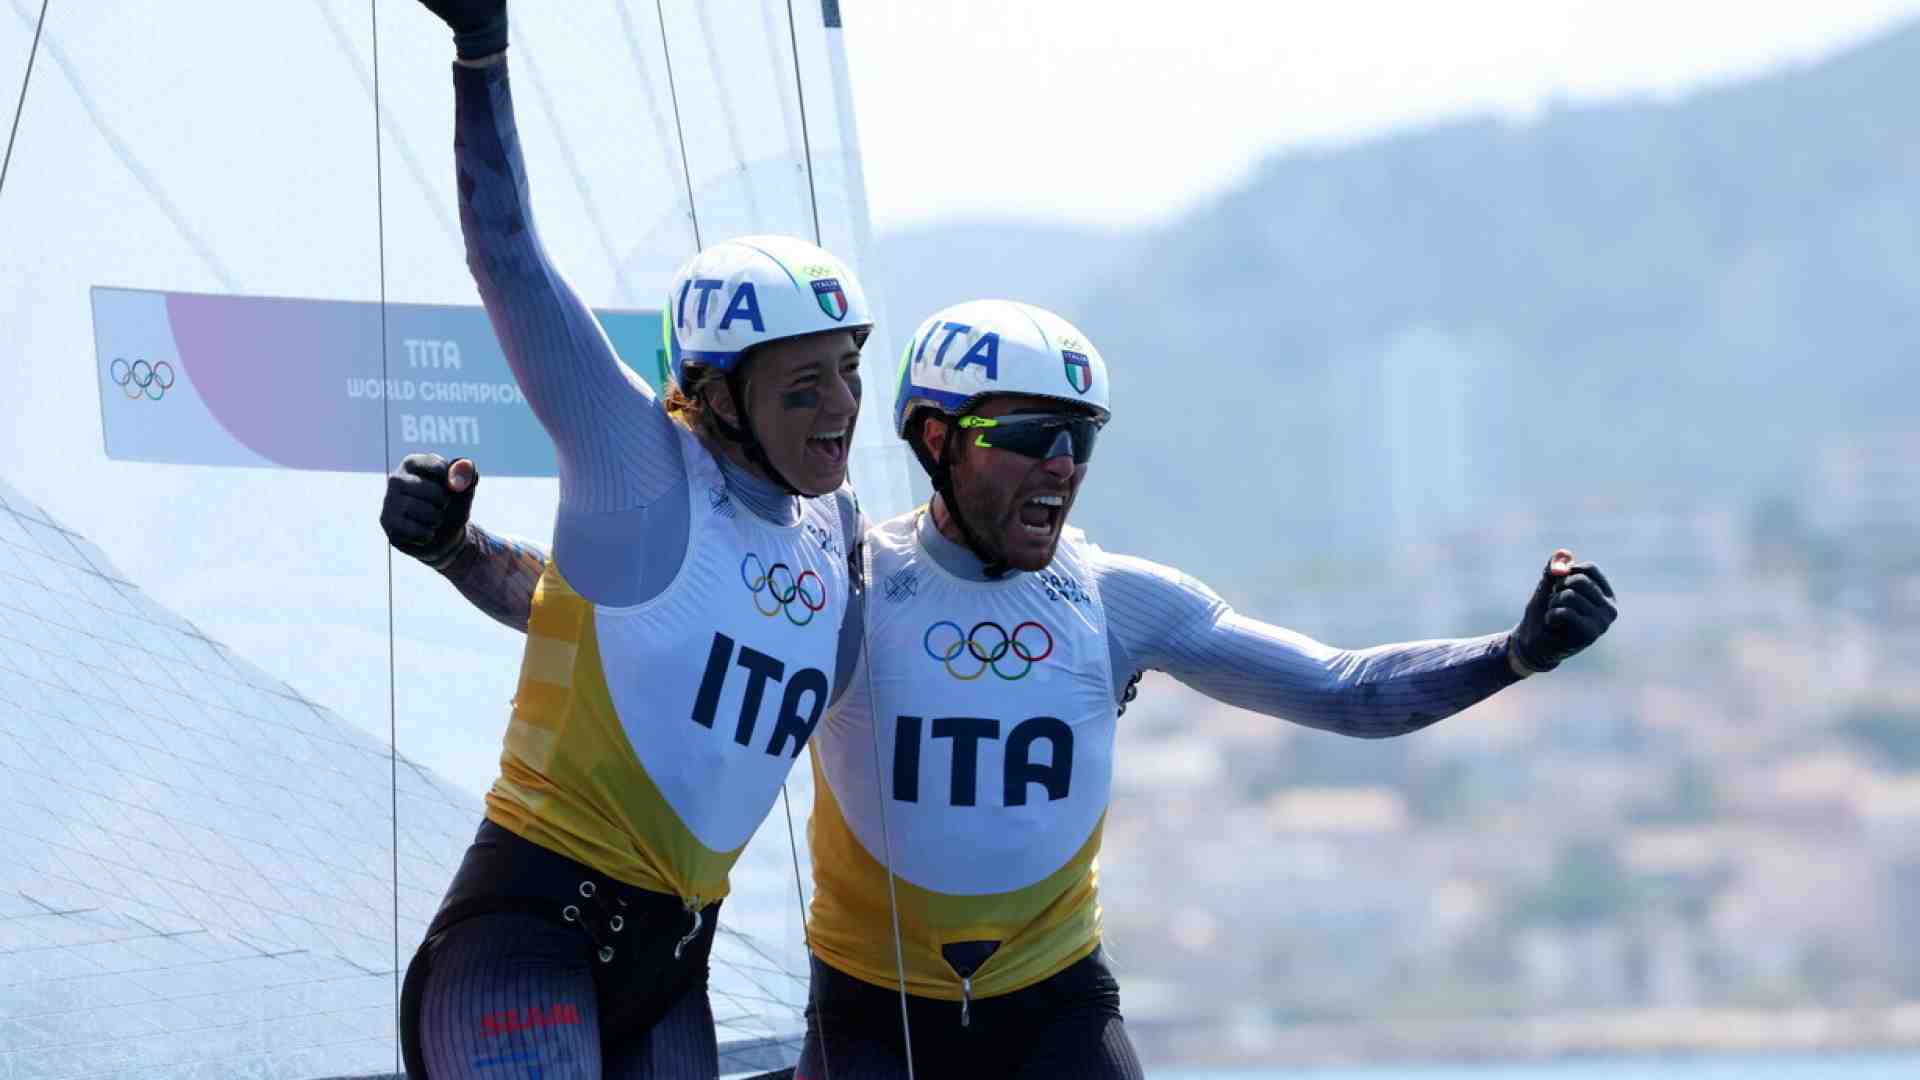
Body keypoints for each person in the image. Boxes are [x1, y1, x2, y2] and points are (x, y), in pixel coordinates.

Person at [388, 299, 1618, 1078]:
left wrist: (1513, 653)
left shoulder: (1119, 600)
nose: (1064, 466)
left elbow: (1344, 691)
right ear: (935, 439)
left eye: (1081, 438)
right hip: (873, 1024)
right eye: (1029, 434)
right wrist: (460, 553)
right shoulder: (847, 580)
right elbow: (600, 620)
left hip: (1055, 1018)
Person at [389, 0, 880, 1075]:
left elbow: (604, 620)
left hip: (672, 975)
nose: (839, 405)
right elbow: (510, 258)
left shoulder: (833, 531)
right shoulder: (642, 462)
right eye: (804, 385)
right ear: (715, 395)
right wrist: (483, 55)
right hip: (524, 946)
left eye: (849, 367)